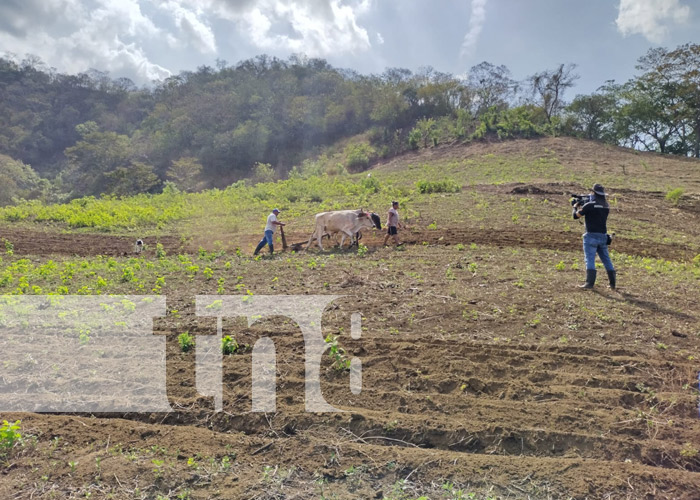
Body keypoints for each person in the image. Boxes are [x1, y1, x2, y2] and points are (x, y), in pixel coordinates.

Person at [573, 184, 615, 289]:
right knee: (606, 259)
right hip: (603, 236)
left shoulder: (589, 206)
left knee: (590, 259)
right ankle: (612, 284)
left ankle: (589, 283)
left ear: (594, 193)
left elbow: (575, 216)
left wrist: (575, 207)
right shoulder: (606, 206)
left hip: (591, 235)